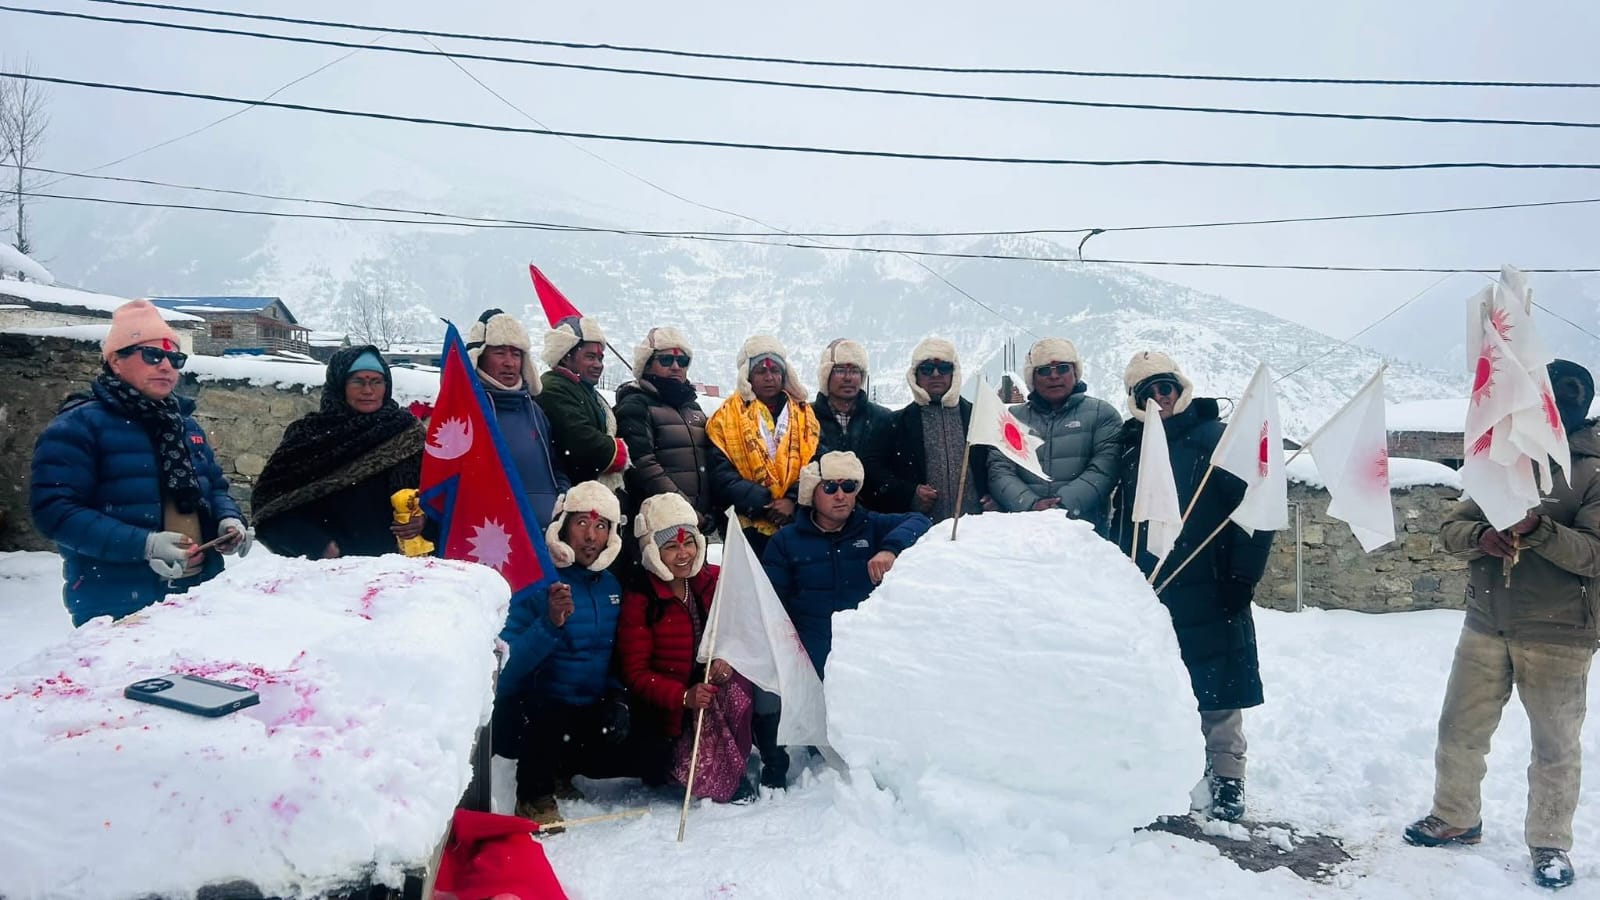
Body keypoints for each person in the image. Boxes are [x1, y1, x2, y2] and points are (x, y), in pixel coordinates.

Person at [1403, 359, 1600, 890]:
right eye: (1552, 391)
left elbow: (1594, 554)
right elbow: (1452, 529)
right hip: (1487, 620)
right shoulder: (1507, 456)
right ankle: (1456, 817)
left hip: (1560, 630)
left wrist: (1535, 528)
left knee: (1554, 747)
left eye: (1573, 393)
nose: (1561, 400)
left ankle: (1550, 843)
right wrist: (1480, 538)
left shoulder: (1593, 469)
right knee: (1460, 729)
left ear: (1586, 403)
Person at [1106, 351, 1273, 822]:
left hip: (1211, 580)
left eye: (1166, 387)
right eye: (1148, 392)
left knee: (1218, 684)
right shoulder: (1131, 445)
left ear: (1181, 388)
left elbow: (1256, 511)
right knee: (1156, 680)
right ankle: (1163, 764)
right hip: (1149, 582)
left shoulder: (1218, 440)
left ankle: (1227, 773)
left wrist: (1243, 576)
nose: (1160, 398)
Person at [30, 299, 249, 626]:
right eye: (152, 355)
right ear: (115, 361)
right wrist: (144, 546)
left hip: (199, 593)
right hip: (116, 601)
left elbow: (214, 488)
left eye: (175, 358)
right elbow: (55, 511)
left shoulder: (185, 426)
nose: (166, 366)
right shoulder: (79, 426)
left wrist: (227, 520)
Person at [759, 451, 931, 787]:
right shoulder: (785, 541)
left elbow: (920, 521)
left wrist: (889, 549)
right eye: (831, 487)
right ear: (812, 493)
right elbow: (771, 602)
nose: (841, 495)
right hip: (808, 652)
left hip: (860, 653)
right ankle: (776, 764)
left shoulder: (872, 526)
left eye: (849, 486)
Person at [493, 481, 629, 824]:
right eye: (581, 523)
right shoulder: (536, 581)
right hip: (532, 712)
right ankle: (533, 796)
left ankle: (562, 771)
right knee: (547, 709)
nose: (591, 536)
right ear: (563, 526)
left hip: (584, 708)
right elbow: (505, 671)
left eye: (601, 526)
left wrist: (618, 698)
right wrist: (550, 623)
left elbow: (613, 655)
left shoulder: (611, 585)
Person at [617, 493, 757, 803]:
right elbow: (636, 674)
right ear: (653, 552)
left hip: (702, 687)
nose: (683, 554)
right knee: (662, 763)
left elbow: (738, 628)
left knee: (738, 682)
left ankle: (737, 764)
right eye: (671, 546)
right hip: (665, 708)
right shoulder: (641, 598)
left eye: (689, 543)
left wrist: (725, 658)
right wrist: (684, 697)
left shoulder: (709, 581)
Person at [252, 346, 428, 558]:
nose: (368, 390)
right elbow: (269, 507)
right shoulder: (308, 436)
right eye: (357, 381)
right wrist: (315, 544)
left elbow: (440, 494)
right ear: (339, 385)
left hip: (401, 567)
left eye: (376, 381)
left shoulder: (406, 432)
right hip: (329, 570)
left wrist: (424, 519)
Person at [705, 336, 821, 558]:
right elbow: (721, 474)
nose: (769, 377)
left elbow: (816, 462)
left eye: (775, 370)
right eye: (761, 371)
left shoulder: (805, 415)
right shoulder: (724, 417)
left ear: (784, 375)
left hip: (795, 522)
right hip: (746, 525)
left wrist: (792, 500)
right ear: (747, 376)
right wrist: (765, 502)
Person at [987, 337, 1121, 524]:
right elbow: (999, 469)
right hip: (1022, 528)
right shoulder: (1011, 419)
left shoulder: (1102, 414)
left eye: (1063, 368)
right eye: (1044, 370)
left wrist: (1063, 505)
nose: (1054, 376)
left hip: (1085, 529)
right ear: (1032, 378)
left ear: (1075, 372)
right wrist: (1030, 504)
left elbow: (1105, 468)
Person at [865, 337, 992, 522]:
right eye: (926, 369)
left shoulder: (978, 417)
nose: (936, 374)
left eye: (944, 368)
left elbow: (998, 466)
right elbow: (872, 471)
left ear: (954, 373)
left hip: (976, 529)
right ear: (915, 375)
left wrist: (994, 496)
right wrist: (910, 493)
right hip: (920, 532)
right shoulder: (894, 423)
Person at [467, 309, 566, 529]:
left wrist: (562, 495)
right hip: (492, 535)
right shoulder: (467, 413)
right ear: (479, 356)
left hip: (545, 533)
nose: (509, 363)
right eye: (500, 353)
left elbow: (556, 466)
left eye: (516, 354)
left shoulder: (535, 411)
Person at [614, 326, 715, 533]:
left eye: (682, 361)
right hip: (654, 523)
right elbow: (642, 464)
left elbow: (709, 462)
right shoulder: (635, 405)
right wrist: (683, 508)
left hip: (696, 524)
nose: (676, 366)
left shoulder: (693, 408)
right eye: (666, 360)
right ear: (647, 364)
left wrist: (713, 510)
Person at [540, 317, 628, 491]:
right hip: (575, 490)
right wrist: (619, 451)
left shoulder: (584, 390)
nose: (598, 365)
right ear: (566, 357)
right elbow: (580, 440)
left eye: (600, 358)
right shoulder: (553, 388)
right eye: (590, 357)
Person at [813, 338, 894, 469]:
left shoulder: (883, 419)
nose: (848, 378)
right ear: (826, 374)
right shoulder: (807, 418)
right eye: (840, 370)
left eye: (855, 371)